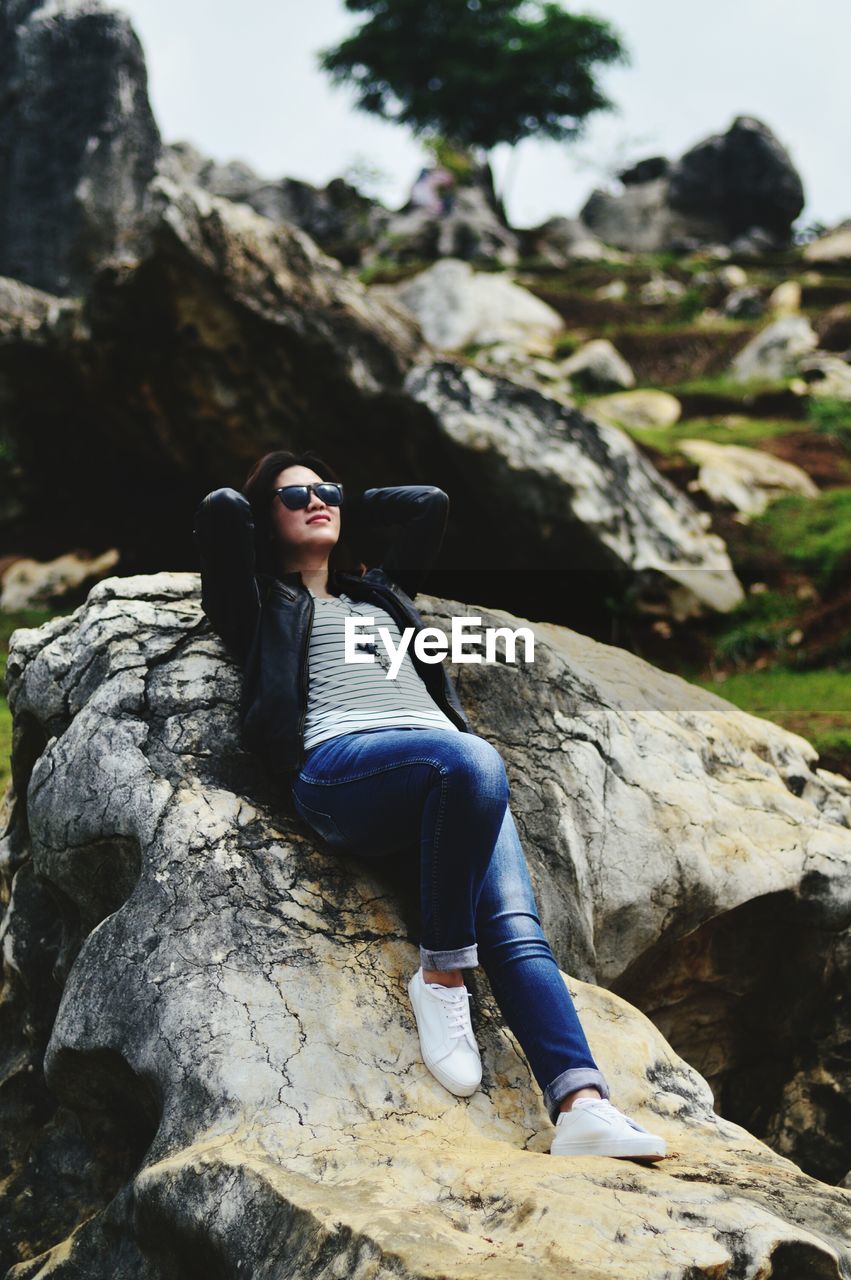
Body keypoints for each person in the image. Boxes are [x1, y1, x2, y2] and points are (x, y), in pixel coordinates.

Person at [193, 448, 667, 1161]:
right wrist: (273, 499)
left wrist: (335, 494)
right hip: (343, 770)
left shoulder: (378, 594)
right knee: (473, 759)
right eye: (296, 498)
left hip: (453, 781)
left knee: (516, 930)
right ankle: (441, 973)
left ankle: (580, 1105)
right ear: (268, 520)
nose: (317, 502)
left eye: (328, 491)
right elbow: (221, 512)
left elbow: (429, 503)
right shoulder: (259, 601)